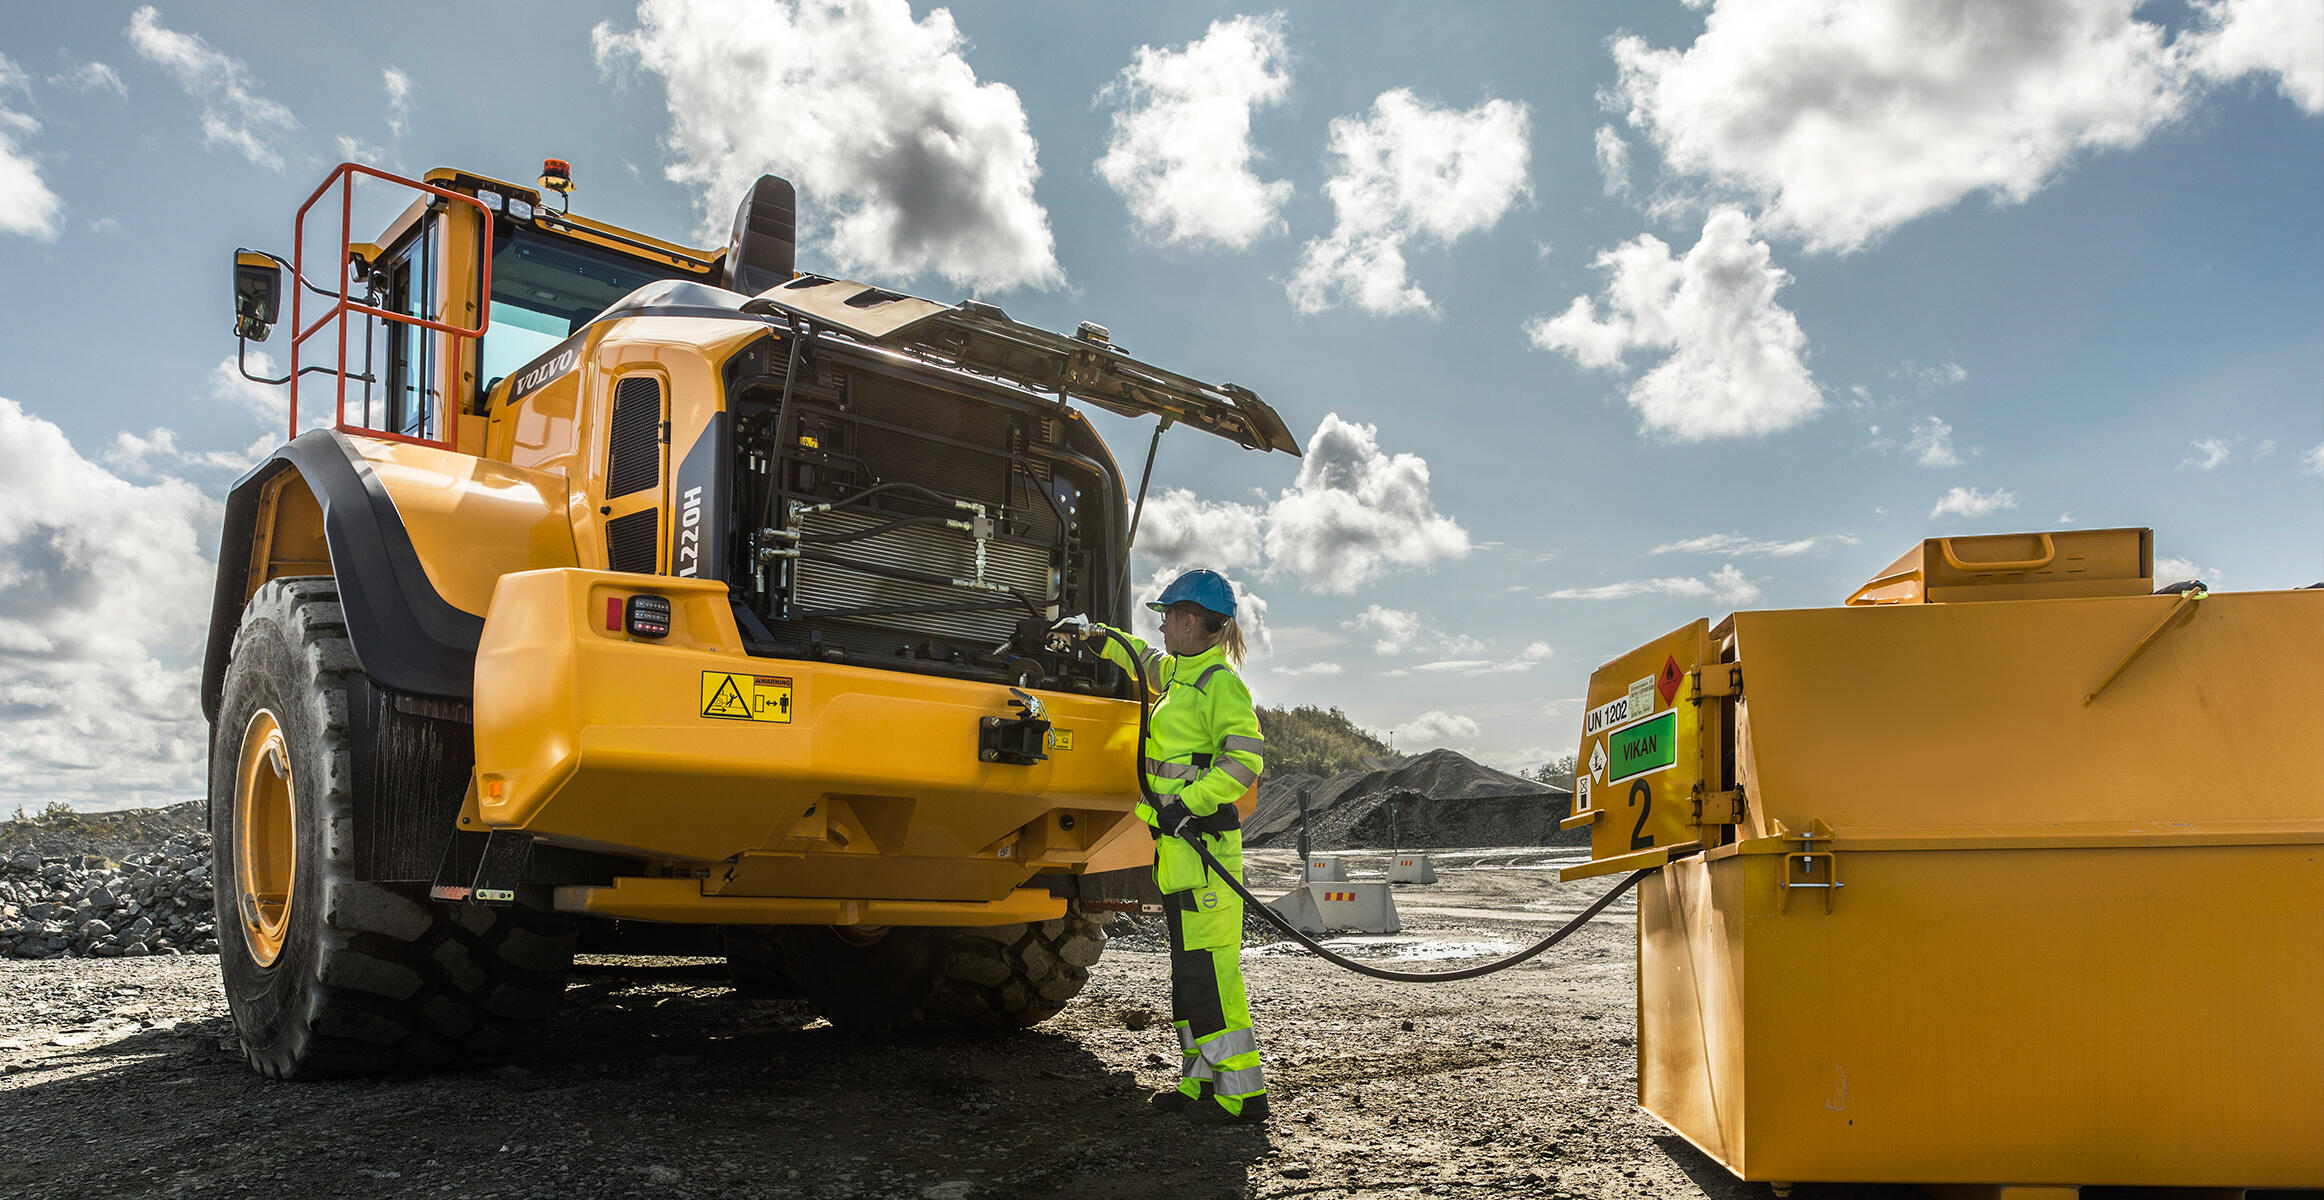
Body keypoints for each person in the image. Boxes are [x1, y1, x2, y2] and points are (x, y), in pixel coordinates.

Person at [1084, 569, 1269, 1126]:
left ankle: (1240, 1097)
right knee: (1189, 978)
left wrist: (1188, 802)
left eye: (1167, 616)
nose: (1161, 625)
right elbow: (1142, 659)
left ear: (1191, 621)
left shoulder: (1220, 684)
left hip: (1205, 854)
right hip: (1181, 856)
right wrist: (1097, 636)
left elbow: (1244, 761)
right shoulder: (1182, 676)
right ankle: (1200, 1083)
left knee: (1212, 976)